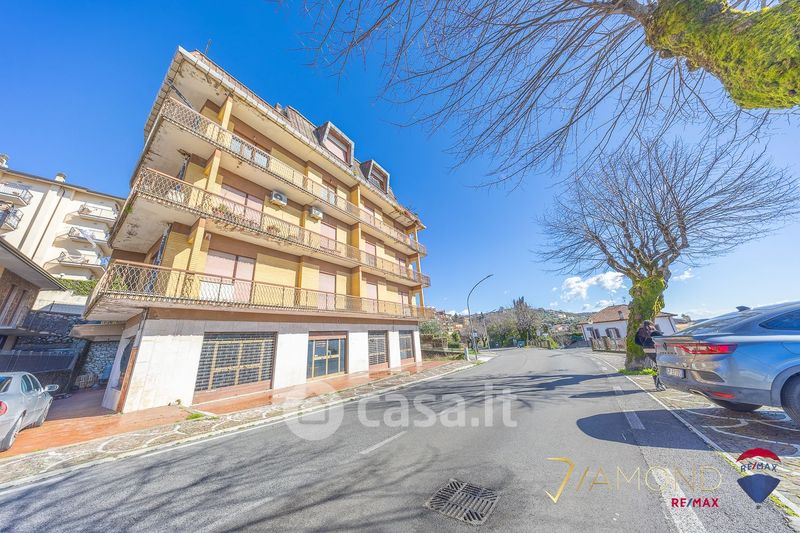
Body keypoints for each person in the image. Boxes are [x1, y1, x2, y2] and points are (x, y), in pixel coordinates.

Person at [634, 320, 666, 391]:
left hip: (646, 350)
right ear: (651, 324)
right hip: (655, 349)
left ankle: (658, 385)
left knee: (654, 366)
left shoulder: (640, 330)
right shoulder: (652, 329)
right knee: (660, 366)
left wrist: (644, 344)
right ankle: (661, 384)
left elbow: (636, 341)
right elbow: (662, 339)